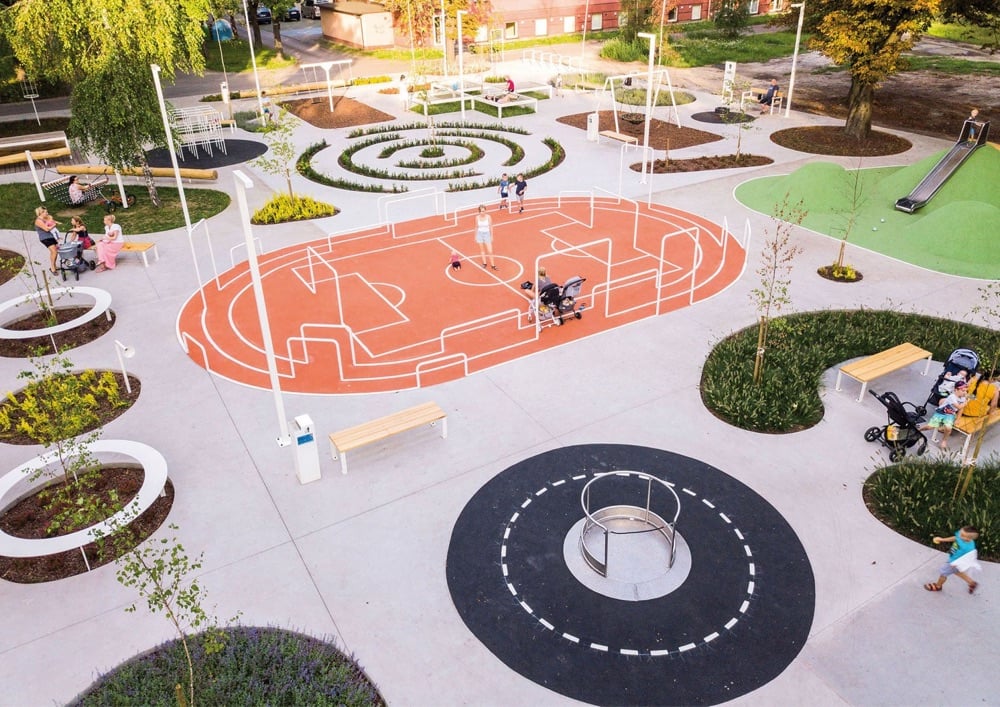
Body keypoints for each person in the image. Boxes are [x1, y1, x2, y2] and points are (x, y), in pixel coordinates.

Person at [925, 526, 980, 594]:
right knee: (957, 572)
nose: (959, 535)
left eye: (962, 535)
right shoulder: (961, 536)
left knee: (943, 573)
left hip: (954, 563)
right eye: (960, 532)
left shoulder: (967, 548)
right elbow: (955, 538)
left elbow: (966, 558)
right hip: (954, 560)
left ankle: (938, 586)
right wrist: (942, 539)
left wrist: (954, 564)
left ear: (969, 538)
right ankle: (971, 583)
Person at [919, 379, 969, 449]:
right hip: (941, 412)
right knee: (930, 427)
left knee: (948, 428)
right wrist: (965, 403)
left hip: (950, 414)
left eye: (966, 391)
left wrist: (958, 419)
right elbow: (958, 406)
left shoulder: (963, 398)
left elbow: (961, 409)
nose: (965, 393)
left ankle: (944, 441)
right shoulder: (952, 397)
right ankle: (918, 430)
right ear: (956, 390)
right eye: (963, 391)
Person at [34, 206, 61, 274]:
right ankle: (52, 268)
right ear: (41, 213)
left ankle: (54, 266)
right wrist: (54, 225)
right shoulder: (38, 221)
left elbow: (51, 221)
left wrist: (55, 222)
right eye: (46, 212)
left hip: (51, 236)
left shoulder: (45, 218)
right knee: (54, 252)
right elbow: (46, 229)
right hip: (45, 238)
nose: (47, 213)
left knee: (55, 252)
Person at [473, 204, 497, 270]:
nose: (482, 212)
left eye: (483, 211)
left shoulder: (488, 217)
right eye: (481, 211)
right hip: (479, 234)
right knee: (482, 250)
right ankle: (484, 263)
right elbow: (476, 227)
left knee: (490, 251)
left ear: (485, 211)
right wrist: (475, 236)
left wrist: (491, 236)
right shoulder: (477, 217)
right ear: (479, 212)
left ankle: (493, 265)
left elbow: (491, 226)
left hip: (487, 234)